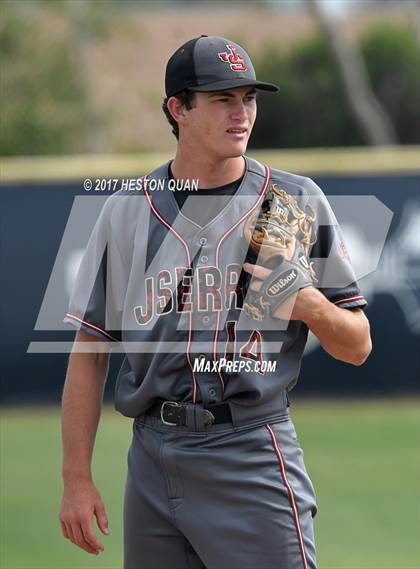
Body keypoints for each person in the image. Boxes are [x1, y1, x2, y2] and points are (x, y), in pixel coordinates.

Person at [59, 35, 372, 569]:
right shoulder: (126, 211)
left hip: (248, 448)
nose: (242, 113)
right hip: (152, 457)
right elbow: (89, 354)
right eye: (223, 98)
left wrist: (310, 306)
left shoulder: (291, 203)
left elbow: (358, 345)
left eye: (248, 98)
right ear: (177, 109)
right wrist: (76, 479)